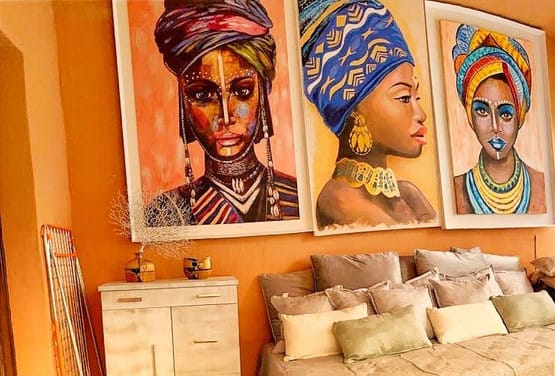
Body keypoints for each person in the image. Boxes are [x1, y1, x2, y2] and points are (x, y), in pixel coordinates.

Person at [149, 0, 300, 225]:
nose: (226, 118)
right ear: (184, 103)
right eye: (202, 95)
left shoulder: (300, 200)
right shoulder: (164, 214)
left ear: (262, 95)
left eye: (242, 91)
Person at [299, 0, 438, 229]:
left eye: (417, 97)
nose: (421, 114)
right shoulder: (339, 201)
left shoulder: (408, 194)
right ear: (355, 109)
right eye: (404, 98)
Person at [451, 25, 547, 215]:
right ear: (470, 117)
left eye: (505, 114)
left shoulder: (541, 184)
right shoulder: (457, 188)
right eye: (482, 111)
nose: (495, 127)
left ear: (519, 117)